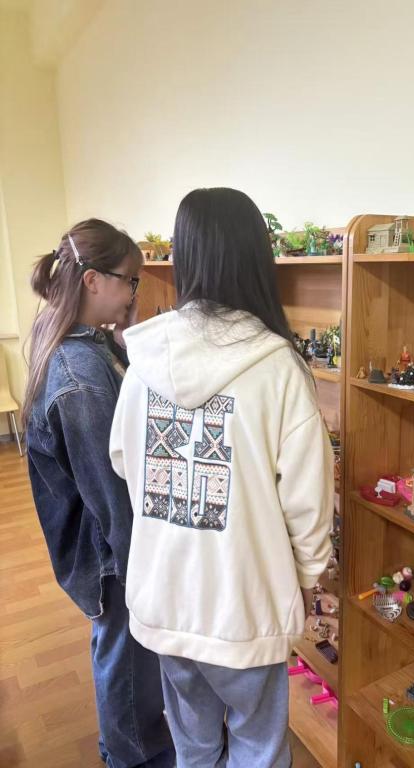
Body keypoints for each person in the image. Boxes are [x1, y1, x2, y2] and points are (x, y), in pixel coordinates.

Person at [110, 188, 334, 767]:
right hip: (244, 603)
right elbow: (307, 498)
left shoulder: (144, 361)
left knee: (194, 746)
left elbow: (124, 460)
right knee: (259, 748)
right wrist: (311, 574)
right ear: (256, 257)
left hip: (165, 597)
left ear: (183, 257)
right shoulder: (278, 366)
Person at [24, 219, 175, 768]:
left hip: (101, 544)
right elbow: (109, 491)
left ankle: (131, 745)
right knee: (125, 658)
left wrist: (127, 338)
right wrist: (141, 572)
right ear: (92, 281)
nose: (135, 292)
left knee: (122, 652)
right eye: (130, 280)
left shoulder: (81, 342)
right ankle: (132, 756)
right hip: (107, 553)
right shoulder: (79, 375)